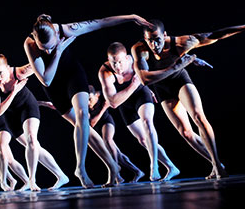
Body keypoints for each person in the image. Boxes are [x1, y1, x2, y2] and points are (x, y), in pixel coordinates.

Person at [24, 13, 153, 188]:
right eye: (44, 49)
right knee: (82, 126)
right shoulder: (30, 44)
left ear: (56, 34)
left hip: (72, 75)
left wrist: (130, 17)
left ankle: (80, 168)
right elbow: (46, 79)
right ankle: (113, 166)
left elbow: (100, 23)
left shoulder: (65, 30)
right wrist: (58, 51)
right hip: (54, 86)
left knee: (83, 115)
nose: (47, 51)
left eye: (51, 46)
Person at [131, 20, 245, 179]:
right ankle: (214, 164)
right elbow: (145, 79)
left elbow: (214, 35)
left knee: (198, 116)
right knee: (186, 133)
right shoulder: (139, 49)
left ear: (165, 35)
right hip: (163, 88)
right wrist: (176, 66)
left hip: (179, 80)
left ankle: (218, 166)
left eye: (157, 39)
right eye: (149, 39)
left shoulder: (181, 43)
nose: (153, 44)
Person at [0, 54, 69, 191]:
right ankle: (61, 175)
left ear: (8, 68)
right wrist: (14, 91)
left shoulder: (19, 72)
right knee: (33, 146)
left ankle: (32, 180)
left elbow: (42, 64)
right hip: (10, 114)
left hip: (27, 106)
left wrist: (56, 51)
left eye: (0, 73)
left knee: (31, 139)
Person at [98, 42, 180, 181]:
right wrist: (134, 83)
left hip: (141, 95)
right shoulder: (104, 71)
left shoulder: (134, 60)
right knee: (142, 140)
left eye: (120, 62)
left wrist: (147, 88)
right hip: (125, 102)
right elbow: (113, 103)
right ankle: (172, 167)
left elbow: (149, 73)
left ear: (127, 59)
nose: (117, 67)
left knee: (147, 122)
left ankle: (154, 166)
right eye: (113, 63)